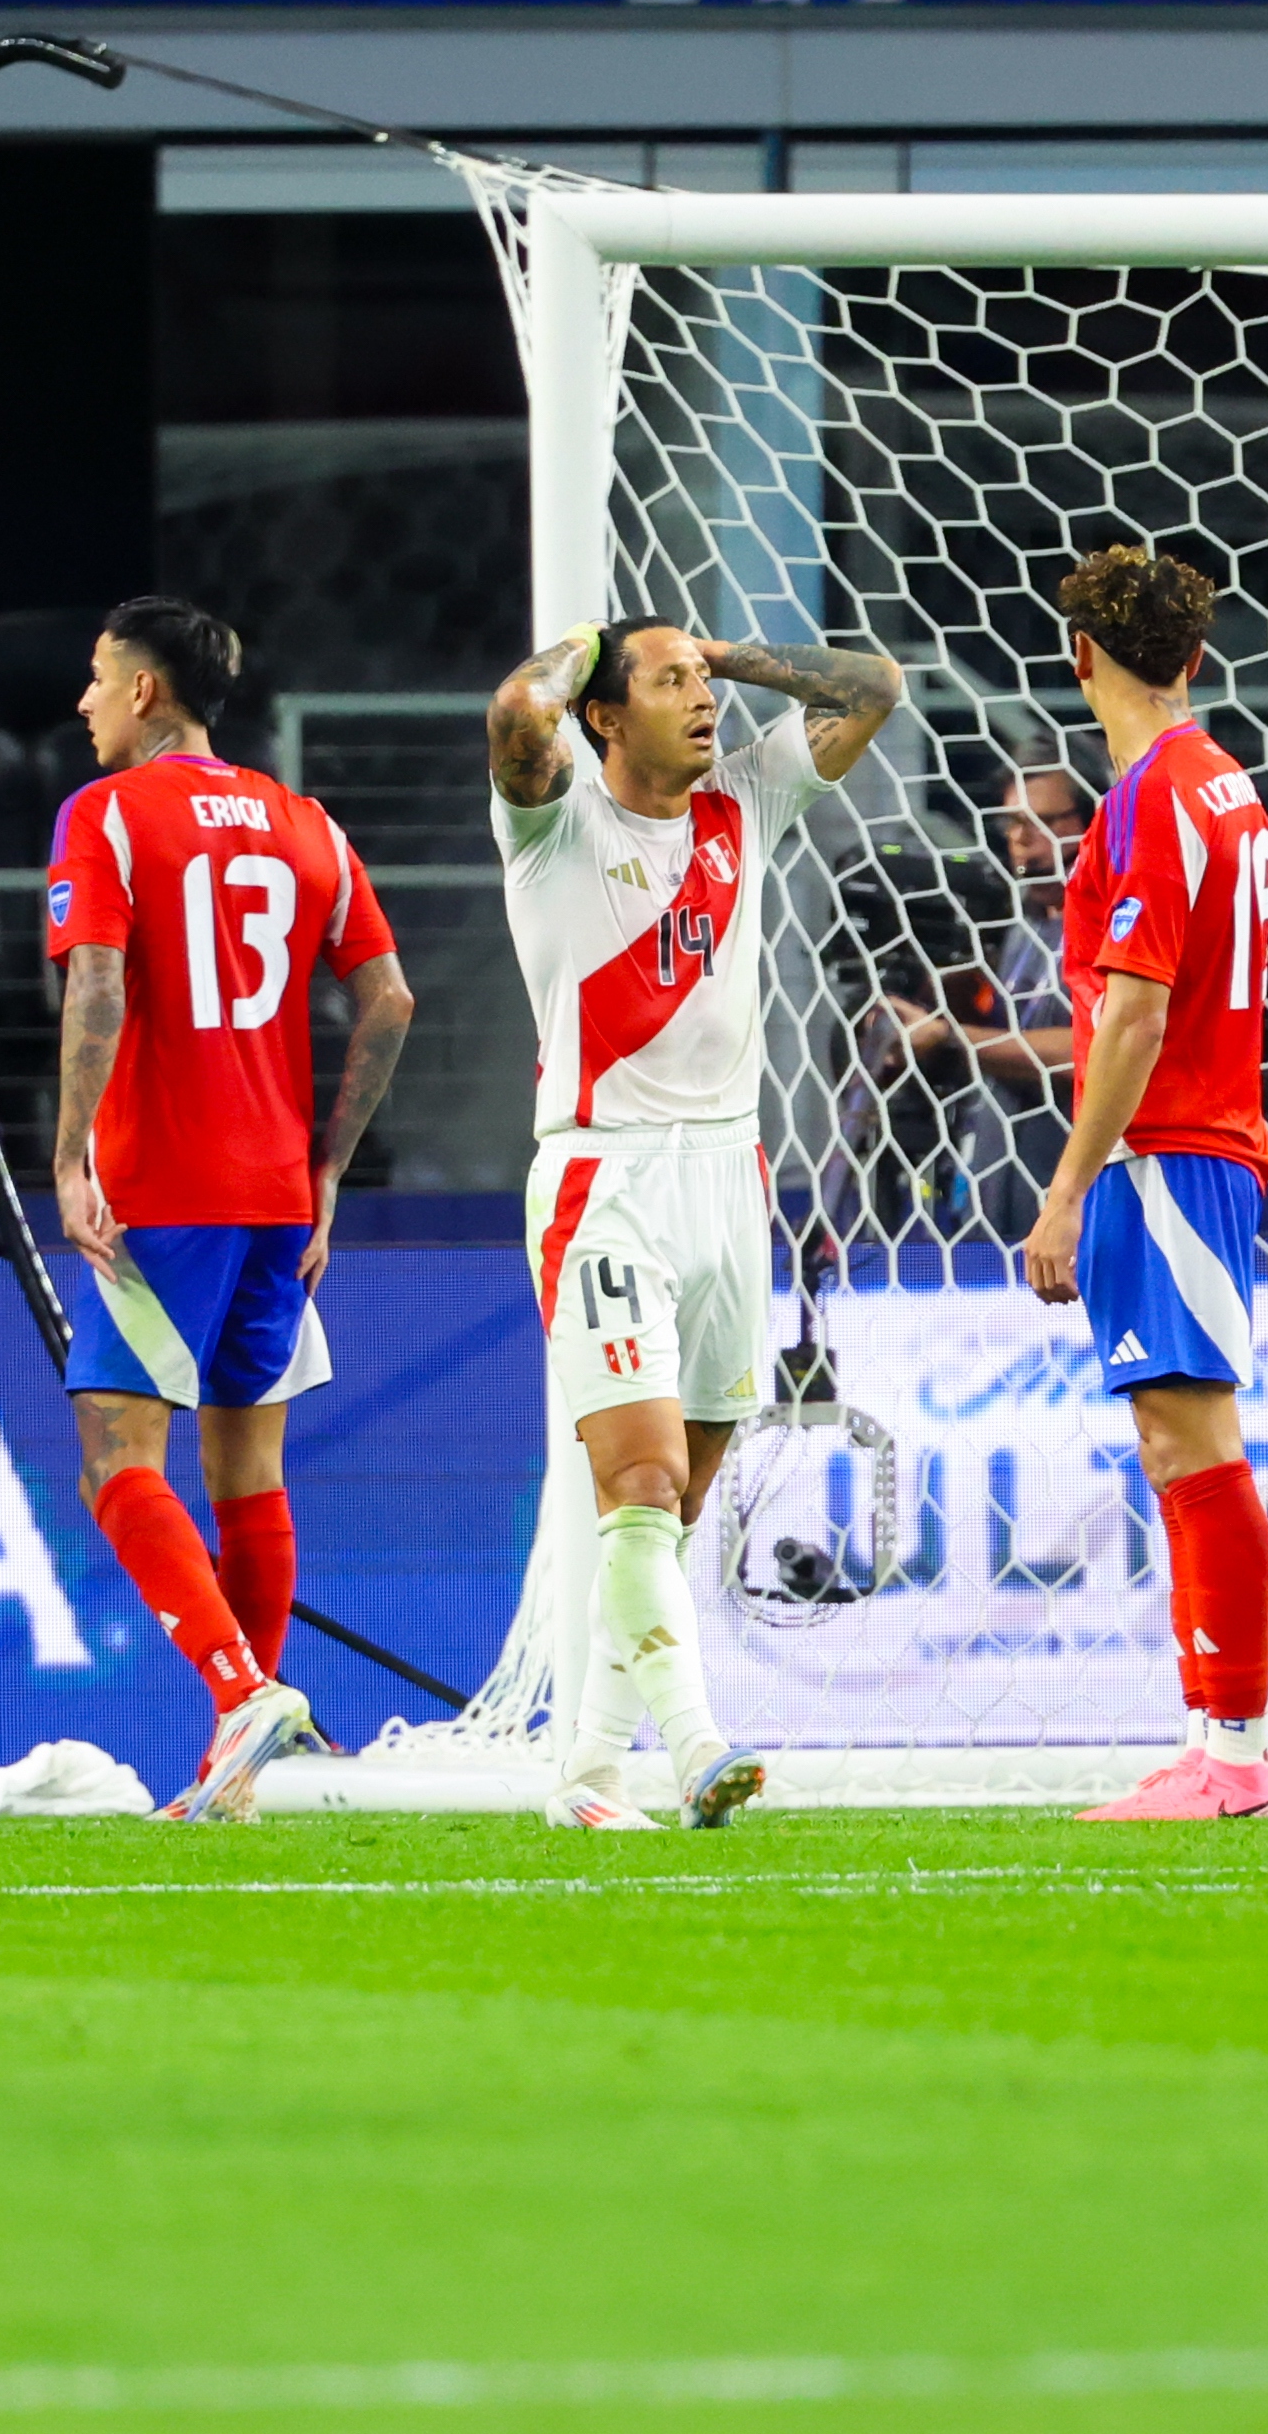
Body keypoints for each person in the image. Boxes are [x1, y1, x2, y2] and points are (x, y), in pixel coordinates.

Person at [489, 612, 904, 1831]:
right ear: (604, 718)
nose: (700, 698)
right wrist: (588, 643)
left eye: (699, 680)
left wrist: (717, 655)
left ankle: (586, 1773)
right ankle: (696, 1746)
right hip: (605, 1177)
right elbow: (518, 713)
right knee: (640, 1476)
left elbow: (875, 685)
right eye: (666, 683)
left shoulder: (743, 801)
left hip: (730, 1180)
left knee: (675, 1503)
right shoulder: (554, 826)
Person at [44, 597, 415, 1822]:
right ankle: (241, 1764)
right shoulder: (305, 822)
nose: (84, 702)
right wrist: (328, 1168)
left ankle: (241, 1693)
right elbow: (390, 998)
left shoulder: (107, 814)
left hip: (162, 1184)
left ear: (145, 691)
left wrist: (70, 1153)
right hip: (273, 1191)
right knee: (246, 1466)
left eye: (97, 678)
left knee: (115, 1458)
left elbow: (98, 983)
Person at [1006, 549, 1268, 1822]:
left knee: (1194, 1441)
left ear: (1080, 657)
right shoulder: (1219, 780)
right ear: (1196, 655)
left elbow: (1133, 1014)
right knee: (1174, 1442)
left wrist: (1065, 1190)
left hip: (1167, 1149)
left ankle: (1235, 1756)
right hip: (1191, 1142)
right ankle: (1207, 1739)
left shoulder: (1153, 796)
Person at [877, 764, 1090, 1236]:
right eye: (1012, 823)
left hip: (1070, 1204)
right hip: (994, 1192)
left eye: (1041, 822)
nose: (1022, 839)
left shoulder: (1108, 921)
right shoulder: (1024, 922)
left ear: (1089, 820)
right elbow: (1012, 1027)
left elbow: (1089, 1052)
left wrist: (951, 1037)